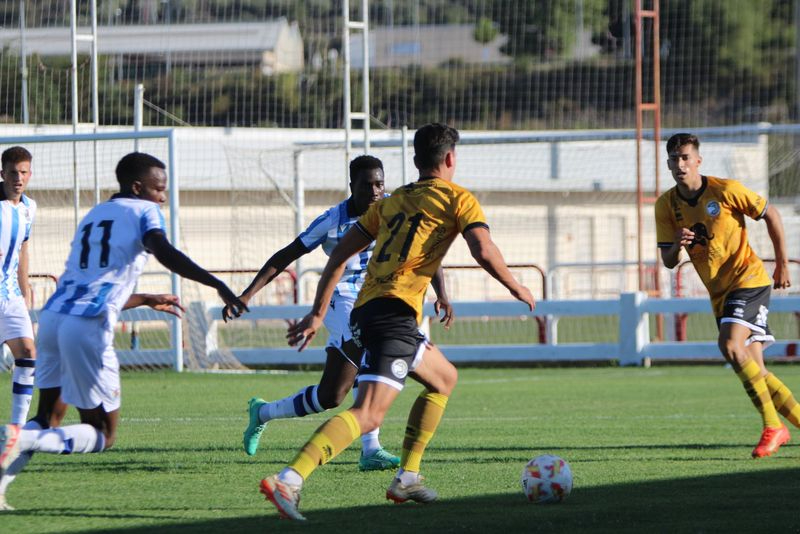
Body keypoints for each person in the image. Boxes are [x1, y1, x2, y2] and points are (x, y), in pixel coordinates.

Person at [259, 123, 535, 520]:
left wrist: (319, 312)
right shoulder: (459, 199)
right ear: (451, 159)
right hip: (393, 315)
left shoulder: (390, 202)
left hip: (368, 311)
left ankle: (407, 476)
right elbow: (482, 248)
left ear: (415, 160)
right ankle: (289, 480)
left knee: (444, 379)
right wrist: (515, 286)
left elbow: (338, 257)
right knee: (368, 413)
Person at [0, 152, 248, 510]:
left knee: (47, 418)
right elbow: (163, 250)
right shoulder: (144, 211)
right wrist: (216, 284)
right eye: (158, 188)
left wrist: (145, 296)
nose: (163, 196)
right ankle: (18, 437)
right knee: (104, 433)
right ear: (137, 188)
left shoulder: (95, 214)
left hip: (53, 319)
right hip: (86, 327)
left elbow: (92, 283)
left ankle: (4, 480)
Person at [223, 154, 453, 472]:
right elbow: (287, 254)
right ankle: (370, 448)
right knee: (371, 348)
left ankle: (263, 413)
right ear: (351, 186)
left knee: (331, 395)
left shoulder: (397, 209)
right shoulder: (333, 219)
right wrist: (247, 293)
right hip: (340, 299)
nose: (375, 191)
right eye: (367, 185)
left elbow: (425, 250)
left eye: (380, 183)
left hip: (380, 300)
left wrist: (442, 293)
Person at [655, 132, 795, 458]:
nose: (680, 164)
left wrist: (783, 265)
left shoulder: (725, 190)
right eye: (674, 159)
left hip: (748, 279)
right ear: (668, 163)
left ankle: (773, 426)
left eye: (685, 157)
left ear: (698, 160)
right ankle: (791, 421)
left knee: (730, 345)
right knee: (754, 368)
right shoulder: (666, 205)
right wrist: (678, 243)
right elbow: (668, 261)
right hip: (719, 292)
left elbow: (771, 214)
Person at [0, 147, 38, 428]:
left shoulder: (29, 207)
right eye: (13, 172)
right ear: (2, 173)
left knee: (27, 351)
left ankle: (17, 428)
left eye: (23, 172)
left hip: (10, 294)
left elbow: (23, 249)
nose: (18, 177)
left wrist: (25, 290)